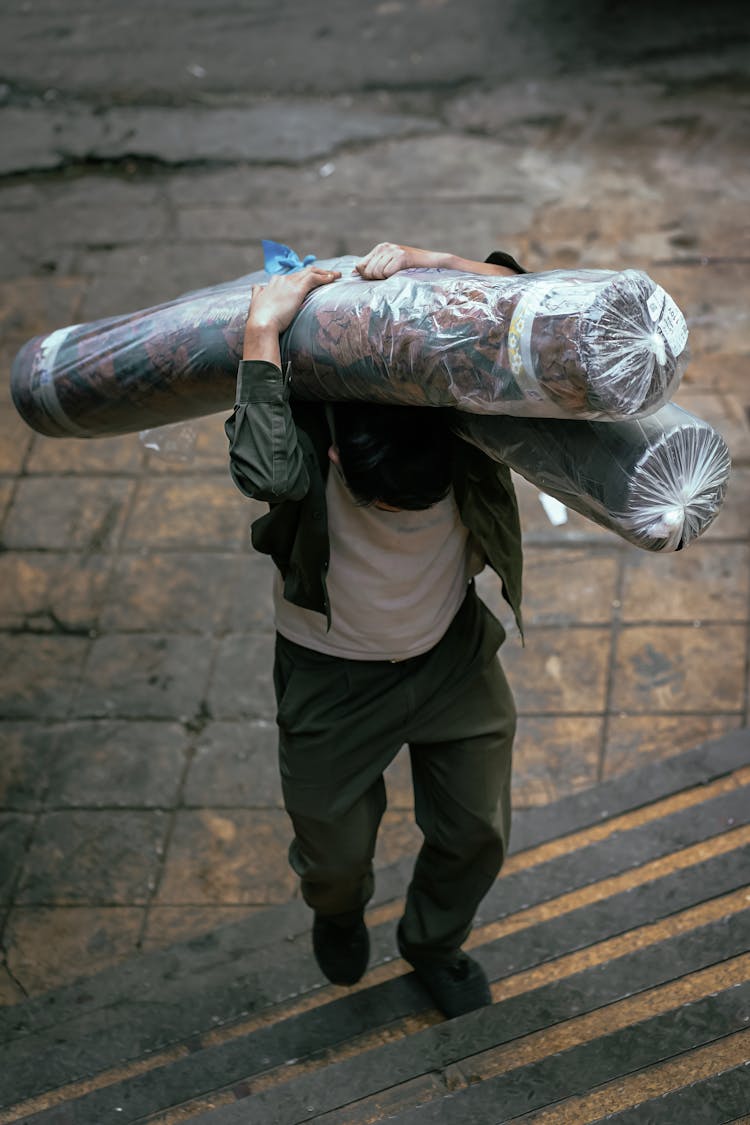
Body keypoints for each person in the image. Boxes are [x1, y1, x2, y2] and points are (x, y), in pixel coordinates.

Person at [224, 242, 525, 1018]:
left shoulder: (456, 400)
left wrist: (441, 260)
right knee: (333, 852)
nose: (408, 512)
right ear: (332, 449)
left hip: (450, 655)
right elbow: (263, 469)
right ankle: (338, 907)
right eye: (389, 501)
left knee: (477, 830)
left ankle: (433, 942)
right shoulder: (307, 437)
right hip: (333, 674)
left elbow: (536, 304)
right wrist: (263, 334)